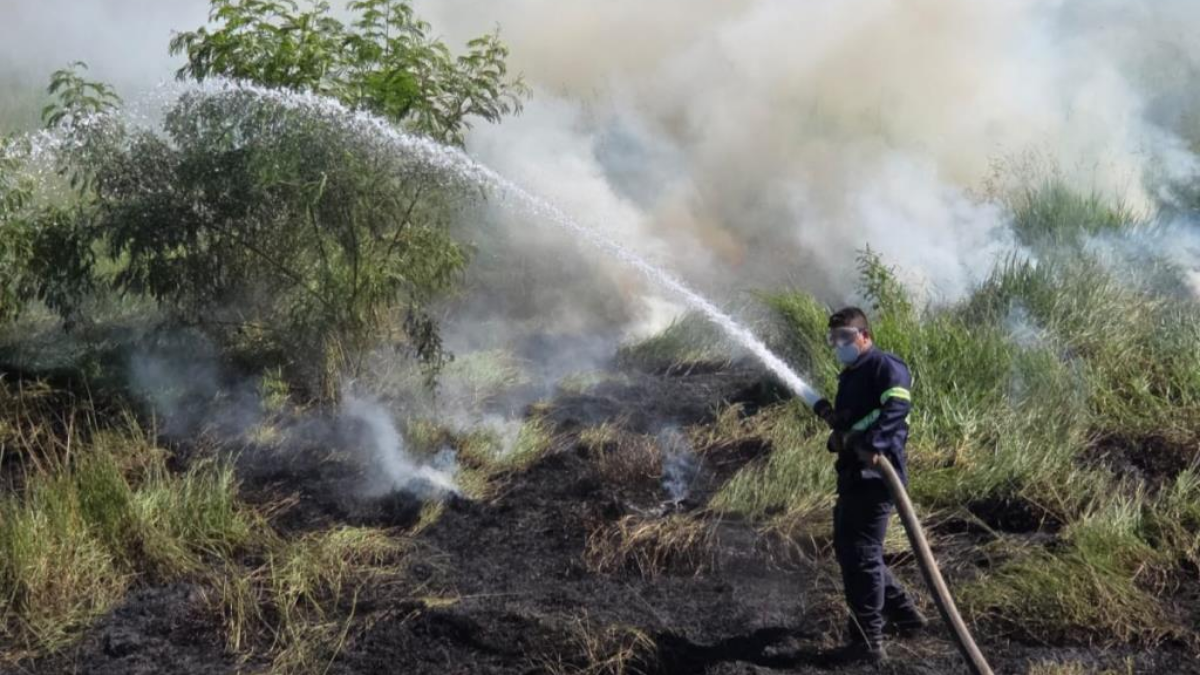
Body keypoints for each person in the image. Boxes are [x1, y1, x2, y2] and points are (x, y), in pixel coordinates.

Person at [811, 307, 927, 664]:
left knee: (860, 556)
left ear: (864, 335)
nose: (839, 345)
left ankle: (869, 643)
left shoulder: (885, 365)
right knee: (856, 552)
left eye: (845, 337)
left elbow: (896, 410)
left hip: (877, 477)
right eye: (834, 339)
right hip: (853, 477)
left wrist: (870, 445)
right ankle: (906, 616)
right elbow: (858, 420)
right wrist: (841, 435)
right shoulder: (852, 374)